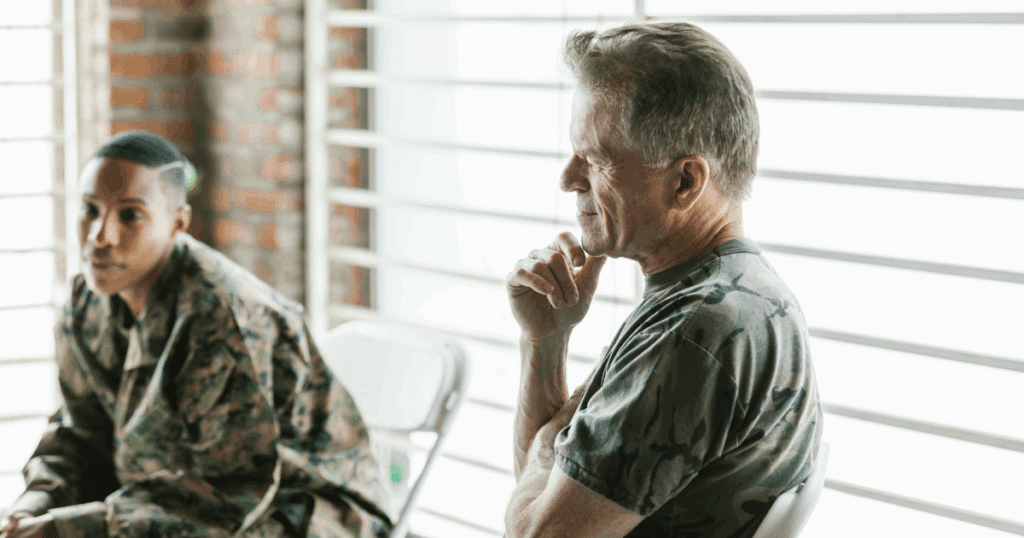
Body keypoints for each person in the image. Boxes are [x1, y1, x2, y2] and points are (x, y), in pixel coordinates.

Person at [504, 23, 823, 538]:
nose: (567, 178)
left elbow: (533, 532)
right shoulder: (729, 291)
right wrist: (545, 340)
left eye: (594, 159)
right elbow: (546, 495)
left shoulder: (692, 333)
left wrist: (549, 441)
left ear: (685, 181)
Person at [0, 132, 390, 538]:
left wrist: (69, 528)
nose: (100, 236)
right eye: (89, 210)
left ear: (178, 223)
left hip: (299, 510)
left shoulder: (222, 319)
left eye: (129, 215)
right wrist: (33, 505)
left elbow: (229, 494)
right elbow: (81, 437)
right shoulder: (88, 303)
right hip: (172, 503)